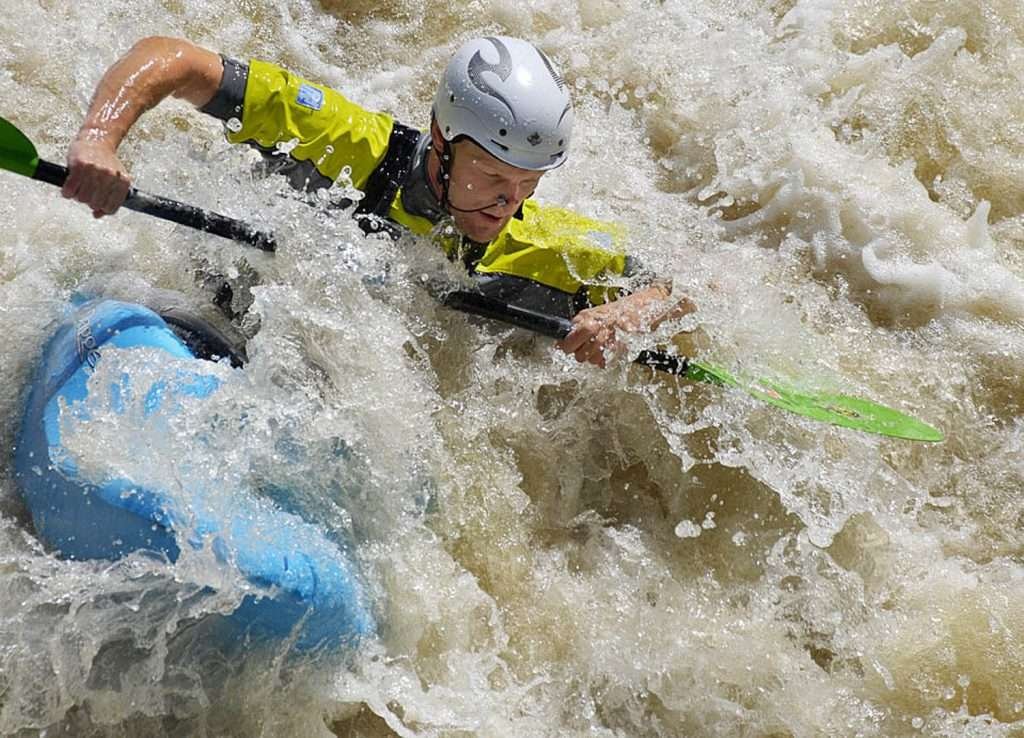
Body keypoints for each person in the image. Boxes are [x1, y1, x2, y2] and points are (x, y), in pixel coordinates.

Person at [63, 35, 694, 368]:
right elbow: (170, 59)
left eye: (527, 187)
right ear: (442, 142)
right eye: (492, 180)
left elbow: (692, 285)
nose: (507, 206)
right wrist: (100, 137)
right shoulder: (348, 141)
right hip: (203, 302)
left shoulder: (537, 239)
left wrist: (629, 315)